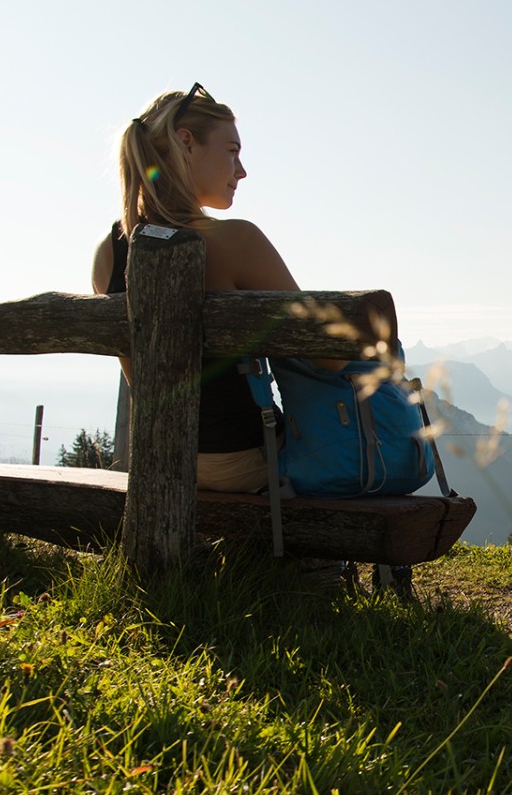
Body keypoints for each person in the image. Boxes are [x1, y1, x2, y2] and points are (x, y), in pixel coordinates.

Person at [92, 83, 343, 492]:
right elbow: (329, 358)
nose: (241, 170)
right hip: (242, 460)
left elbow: (141, 379)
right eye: (232, 151)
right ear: (187, 144)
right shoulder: (236, 240)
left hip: (164, 457)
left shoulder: (110, 251)